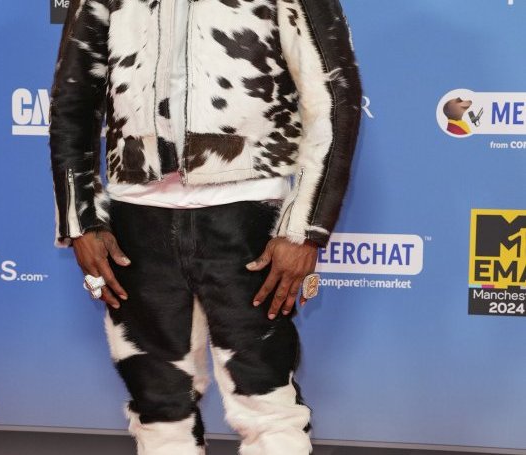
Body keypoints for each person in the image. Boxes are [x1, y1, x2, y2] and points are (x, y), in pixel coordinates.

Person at [48, 0, 362, 452]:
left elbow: (333, 98)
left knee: (266, 397)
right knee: (158, 403)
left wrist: (304, 230)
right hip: (136, 218)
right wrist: (81, 221)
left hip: (248, 212)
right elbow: (72, 104)